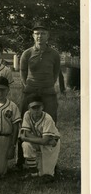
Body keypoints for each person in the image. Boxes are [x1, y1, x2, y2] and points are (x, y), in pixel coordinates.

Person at [16, 22, 61, 170]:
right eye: (37, 34)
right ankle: (21, 160)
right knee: (24, 121)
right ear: (33, 36)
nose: (40, 36)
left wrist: (47, 85)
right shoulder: (27, 53)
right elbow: (22, 72)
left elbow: (55, 73)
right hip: (30, 91)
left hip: (48, 92)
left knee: (51, 122)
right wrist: (28, 86)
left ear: (48, 36)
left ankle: (50, 162)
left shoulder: (54, 54)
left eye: (43, 33)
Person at [20, 94, 61, 183]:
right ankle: (33, 172)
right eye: (33, 107)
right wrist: (40, 140)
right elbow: (26, 133)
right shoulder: (27, 115)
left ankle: (51, 169)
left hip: (52, 144)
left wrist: (26, 138)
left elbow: (44, 140)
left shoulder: (47, 118)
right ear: (29, 108)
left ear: (42, 107)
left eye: (38, 107)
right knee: (26, 145)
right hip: (47, 141)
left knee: (46, 175)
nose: (36, 110)